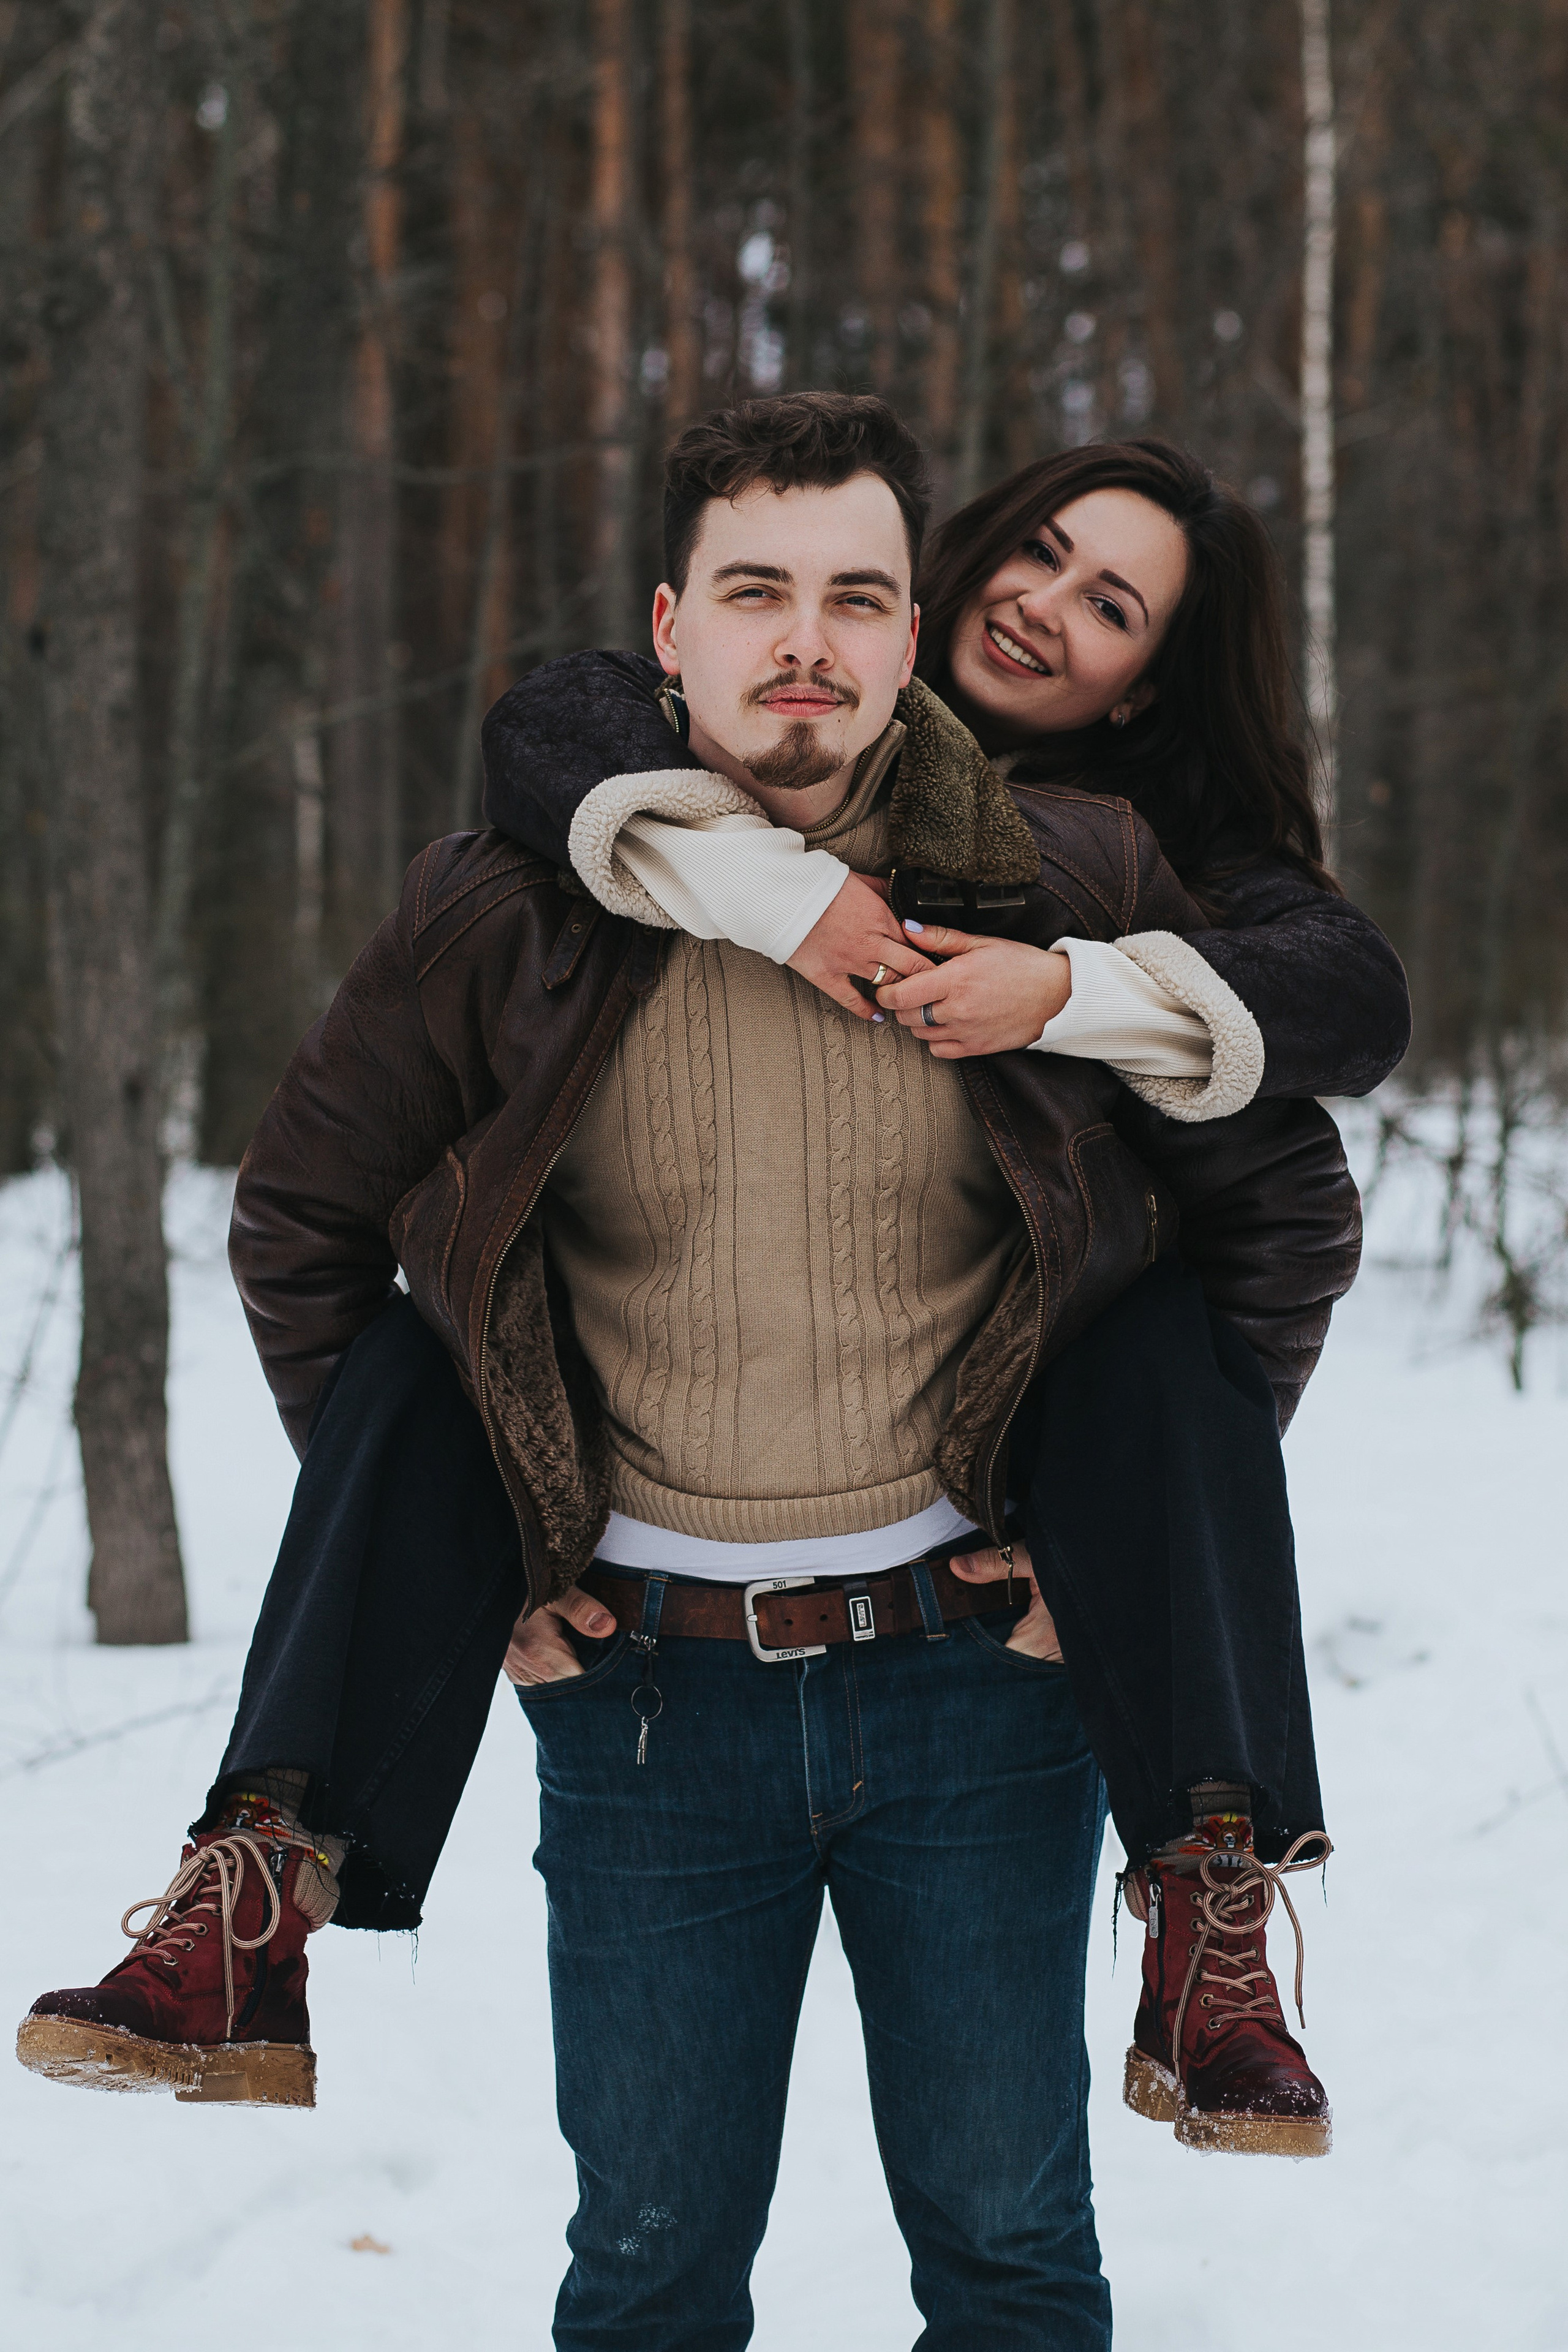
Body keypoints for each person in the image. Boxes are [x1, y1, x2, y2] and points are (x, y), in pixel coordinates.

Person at [17, 397, 1385, 2345]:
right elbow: (300, 1228)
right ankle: (260, 1881)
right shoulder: (508, 903)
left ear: (912, 641)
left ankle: (1215, 1875)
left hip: (976, 1697)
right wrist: (476, 1556)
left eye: (853, 597)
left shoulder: (1067, 883)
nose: (805, 642)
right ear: (669, 630)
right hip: (650, 1699)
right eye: (756, 593)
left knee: (1012, 2252)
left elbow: (1284, 1220)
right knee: (651, 2271)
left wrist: (1127, 1543)